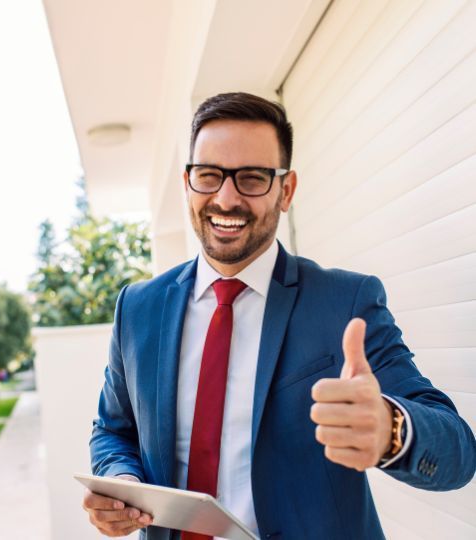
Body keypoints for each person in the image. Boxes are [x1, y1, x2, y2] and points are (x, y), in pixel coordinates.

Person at [82, 92, 476, 539]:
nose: (226, 199)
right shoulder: (137, 307)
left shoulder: (345, 301)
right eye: (209, 176)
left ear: (285, 191)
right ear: (188, 183)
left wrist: (390, 428)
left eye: (251, 178)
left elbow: (458, 454)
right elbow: (113, 430)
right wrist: (124, 485)